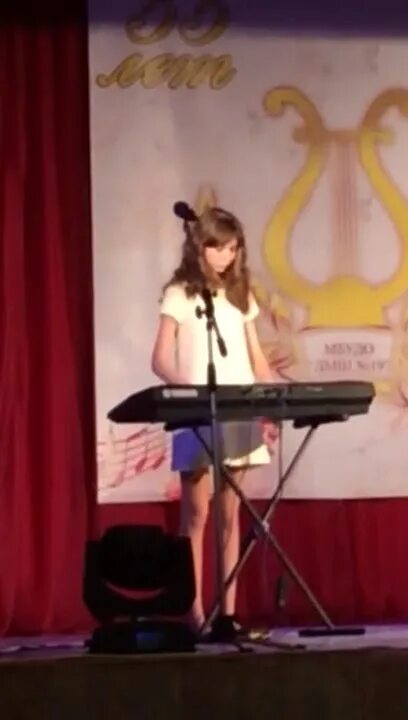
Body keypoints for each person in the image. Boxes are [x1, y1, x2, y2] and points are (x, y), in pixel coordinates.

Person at [150, 204, 277, 636]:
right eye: (217, 247)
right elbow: (160, 358)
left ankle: (228, 614)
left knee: (230, 514)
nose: (225, 256)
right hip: (198, 411)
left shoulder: (240, 296)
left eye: (232, 248)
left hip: (238, 408)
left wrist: (275, 398)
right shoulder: (180, 293)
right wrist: (189, 392)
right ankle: (194, 614)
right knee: (196, 515)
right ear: (199, 246)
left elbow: (257, 359)